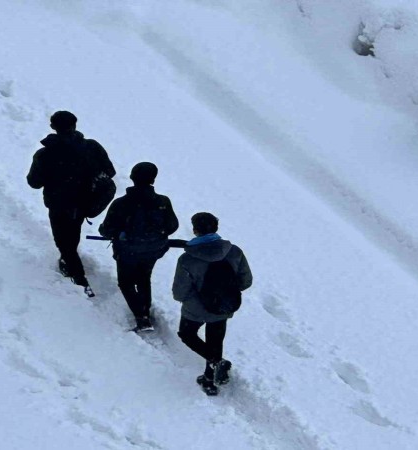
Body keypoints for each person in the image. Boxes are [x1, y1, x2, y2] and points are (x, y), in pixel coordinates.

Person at [27, 111, 115, 297]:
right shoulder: (92, 147)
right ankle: (69, 260)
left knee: (63, 241)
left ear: (53, 127)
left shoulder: (44, 154)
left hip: (59, 204)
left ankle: (79, 277)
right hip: (85, 203)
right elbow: (110, 172)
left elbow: (34, 182)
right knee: (72, 234)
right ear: (75, 125)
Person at [172, 212, 252, 395]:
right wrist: (226, 292)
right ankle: (210, 379)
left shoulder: (187, 258)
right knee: (215, 339)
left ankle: (216, 362)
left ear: (195, 230)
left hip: (195, 309)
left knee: (187, 334)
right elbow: (246, 281)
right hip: (224, 305)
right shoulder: (234, 251)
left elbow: (180, 291)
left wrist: (191, 301)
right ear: (216, 228)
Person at [99, 162, 179, 331]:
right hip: (154, 250)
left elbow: (106, 229)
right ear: (153, 179)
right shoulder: (163, 201)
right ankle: (145, 311)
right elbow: (172, 226)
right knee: (144, 279)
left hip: (127, 251)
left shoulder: (121, 203)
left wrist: (117, 233)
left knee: (126, 282)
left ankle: (141, 317)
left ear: (132, 177)